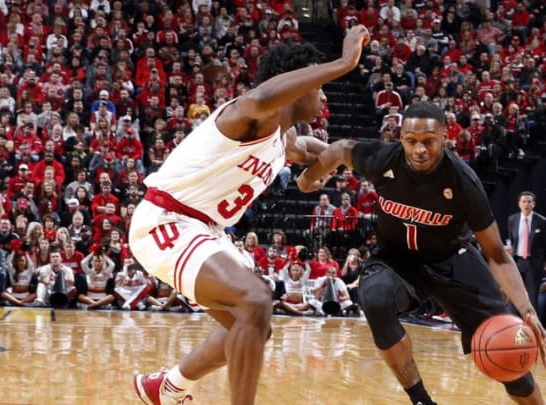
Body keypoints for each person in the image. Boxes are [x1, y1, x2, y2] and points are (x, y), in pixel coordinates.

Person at [128, 25, 370, 405]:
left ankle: (167, 387)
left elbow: (313, 158)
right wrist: (343, 62)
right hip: (167, 218)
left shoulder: (283, 139)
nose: (322, 94)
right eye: (317, 83)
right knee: (254, 302)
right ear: (297, 81)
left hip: (204, 229)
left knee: (254, 325)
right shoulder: (250, 112)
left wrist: (342, 157)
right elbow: (265, 95)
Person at [297, 102, 546, 405]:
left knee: (507, 353)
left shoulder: (463, 181)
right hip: (396, 260)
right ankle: (421, 401)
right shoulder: (383, 158)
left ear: (444, 138)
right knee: (376, 300)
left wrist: (527, 311)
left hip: (453, 260)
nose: (419, 149)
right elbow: (340, 149)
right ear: (401, 138)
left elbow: (497, 254)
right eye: (411, 141)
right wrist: (306, 179)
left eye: (428, 141)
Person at [508, 191, 546, 310]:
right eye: (524, 202)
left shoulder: (542, 221)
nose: (526, 204)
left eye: (529, 202)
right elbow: (513, 241)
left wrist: (541, 262)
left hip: (533, 264)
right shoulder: (512, 220)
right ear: (519, 204)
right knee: (514, 296)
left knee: (533, 299)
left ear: (534, 204)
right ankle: (514, 323)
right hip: (517, 262)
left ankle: (532, 327)